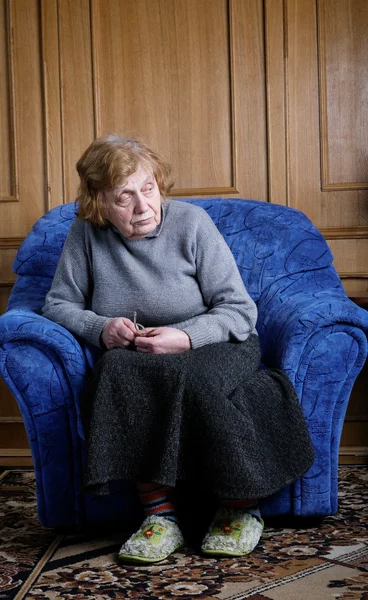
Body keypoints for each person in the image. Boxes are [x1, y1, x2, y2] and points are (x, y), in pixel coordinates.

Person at [42, 134, 315, 563]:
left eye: (148, 189)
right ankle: (159, 516)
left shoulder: (191, 223)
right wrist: (101, 328)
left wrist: (186, 337)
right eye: (124, 197)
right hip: (140, 353)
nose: (142, 206)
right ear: (99, 203)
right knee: (113, 372)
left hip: (217, 341)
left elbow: (239, 311)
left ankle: (240, 508)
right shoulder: (86, 234)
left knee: (193, 377)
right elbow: (57, 305)